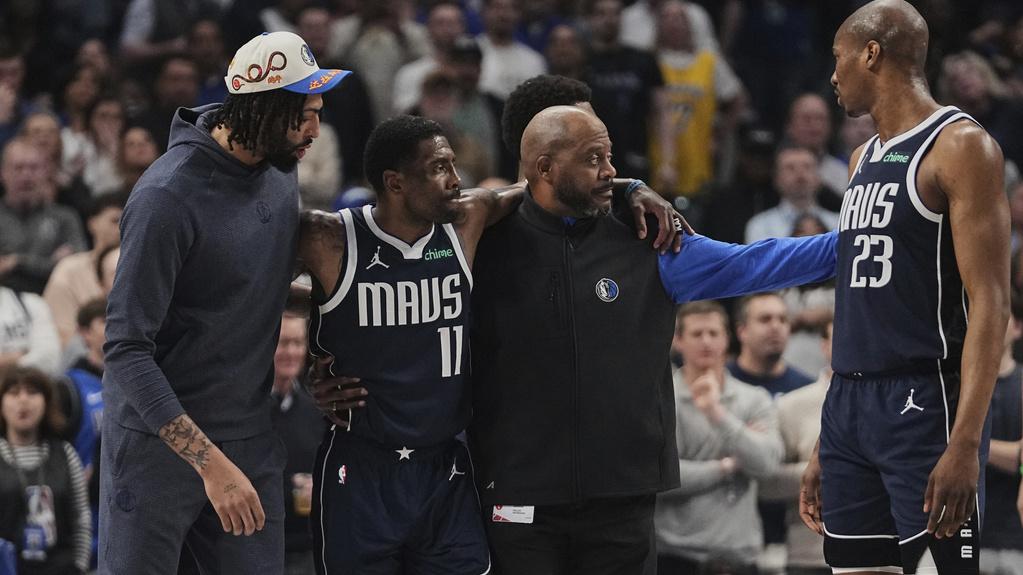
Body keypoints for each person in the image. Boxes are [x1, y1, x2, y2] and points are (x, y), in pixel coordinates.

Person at [468, 105, 838, 574]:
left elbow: (759, 262)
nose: (610, 170)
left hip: (623, 499)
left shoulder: (649, 237)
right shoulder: (482, 244)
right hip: (518, 497)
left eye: (610, 157)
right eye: (594, 159)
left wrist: (870, 234)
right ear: (544, 167)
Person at [99, 31, 351, 575]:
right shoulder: (165, 197)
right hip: (158, 447)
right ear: (264, 109)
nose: (315, 130)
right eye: (304, 115)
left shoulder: (281, 166)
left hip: (249, 435)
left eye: (318, 113)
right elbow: (124, 349)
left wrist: (322, 356)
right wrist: (211, 466)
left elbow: (252, 287)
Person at [799, 2, 1012, 573]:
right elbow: (861, 303)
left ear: (871, 54)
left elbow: (991, 304)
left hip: (924, 402)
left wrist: (966, 442)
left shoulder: (960, 146)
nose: (832, 74)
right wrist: (827, 437)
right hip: (849, 405)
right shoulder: (859, 159)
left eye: (839, 57)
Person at [655, 301, 783, 574]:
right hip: (676, 555)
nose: (706, 342)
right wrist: (726, 467)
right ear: (678, 340)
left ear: (727, 338)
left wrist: (716, 413)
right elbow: (658, 476)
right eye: (697, 334)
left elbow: (767, 465)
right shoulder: (660, 400)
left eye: (713, 333)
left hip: (740, 554)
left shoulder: (754, 398)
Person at [0, 367, 91, 575]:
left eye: (32, 392)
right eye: (13, 393)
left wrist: (79, 567)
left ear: (47, 402)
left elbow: (81, 519)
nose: (23, 400)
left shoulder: (66, 453)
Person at [269, 312, 324, 575]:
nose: (291, 352)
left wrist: (320, 486)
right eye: (283, 343)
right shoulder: (245, 411)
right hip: (257, 544)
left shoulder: (318, 410)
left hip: (306, 548)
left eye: (298, 343)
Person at [979, 293, 1023, 574]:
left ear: (1017, 327)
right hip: (970, 533)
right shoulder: (961, 387)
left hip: (1015, 539)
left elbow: (1020, 457)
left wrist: (967, 446)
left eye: (1004, 317)